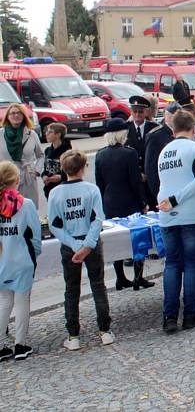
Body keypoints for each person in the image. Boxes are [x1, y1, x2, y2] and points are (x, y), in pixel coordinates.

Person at [48, 150, 113, 351]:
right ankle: (104, 331)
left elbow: (54, 224)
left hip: (70, 245)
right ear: (84, 167)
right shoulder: (91, 190)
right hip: (90, 242)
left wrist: (76, 245)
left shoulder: (55, 193)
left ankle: (73, 334)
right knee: (98, 285)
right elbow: (97, 219)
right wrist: (87, 244)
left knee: (71, 289)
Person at [156, 110, 195, 334]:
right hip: (191, 213)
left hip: (167, 215)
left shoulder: (164, 152)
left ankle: (169, 317)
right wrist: (177, 199)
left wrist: (169, 200)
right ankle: (191, 313)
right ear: (193, 128)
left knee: (171, 264)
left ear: (173, 129)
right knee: (191, 265)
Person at [94, 118, 151, 291]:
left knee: (115, 240)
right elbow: (135, 182)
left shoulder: (100, 154)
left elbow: (99, 183)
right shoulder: (129, 153)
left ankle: (120, 278)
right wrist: (143, 202)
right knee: (137, 237)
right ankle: (138, 277)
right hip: (129, 201)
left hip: (110, 201)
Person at [0, 161, 41, 361]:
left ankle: (0, 345)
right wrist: (36, 254)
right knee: (22, 301)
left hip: (1, 260)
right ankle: (20, 344)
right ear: (16, 181)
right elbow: (35, 235)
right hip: (22, 260)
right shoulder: (26, 205)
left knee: (4, 302)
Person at [0, 104, 43, 209]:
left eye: (19, 113)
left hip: (28, 177)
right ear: (7, 117)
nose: (16, 115)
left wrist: (37, 170)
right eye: (13, 113)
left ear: (24, 115)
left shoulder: (31, 134)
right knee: (9, 211)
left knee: (28, 208)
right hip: (7, 178)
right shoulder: (1, 134)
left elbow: (41, 155)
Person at [125, 95, 159, 208]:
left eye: (140, 111)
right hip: (133, 179)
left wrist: (147, 173)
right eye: (134, 111)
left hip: (151, 178)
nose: (137, 114)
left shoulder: (155, 128)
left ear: (145, 112)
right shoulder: (125, 129)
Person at [42, 122, 70, 200]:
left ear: (58, 134)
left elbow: (72, 171)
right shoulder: (47, 150)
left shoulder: (67, 151)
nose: (46, 134)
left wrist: (61, 177)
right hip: (50, 190)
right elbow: (46, 169)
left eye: (50, 132)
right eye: (46, 132)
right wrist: (44, 176)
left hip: (63, 189)